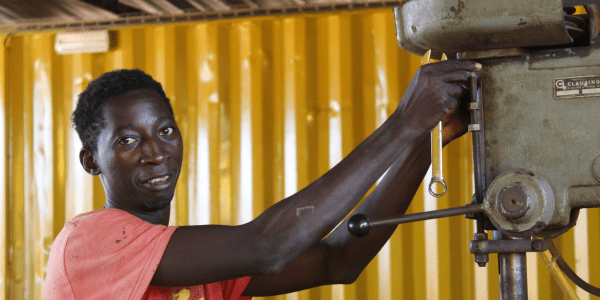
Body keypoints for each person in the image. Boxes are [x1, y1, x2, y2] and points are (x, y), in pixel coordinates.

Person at [43, 59, 481, 299]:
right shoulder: (87, 244)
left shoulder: (196, 267)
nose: (156, 152)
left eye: (166, 130)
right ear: (90, 162)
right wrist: (401, 124)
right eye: (127, 140)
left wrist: (425, 139)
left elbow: (340, 261)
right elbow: (268, 247)